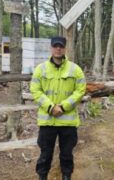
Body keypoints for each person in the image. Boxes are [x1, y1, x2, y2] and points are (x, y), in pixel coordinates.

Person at [30, 36, 86, 180]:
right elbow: (35, 90)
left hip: (67, 122)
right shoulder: (40, 69)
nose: (58, 48)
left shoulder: (75, 69)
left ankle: (66, 176)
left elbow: (80, 90)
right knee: (45, 154)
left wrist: (63, 106)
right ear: (51, 48)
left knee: (67, 154)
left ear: (65, 48)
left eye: (60, 46)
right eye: (55, 46)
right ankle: (42, 176)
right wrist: (50, 107)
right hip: (47, 122)